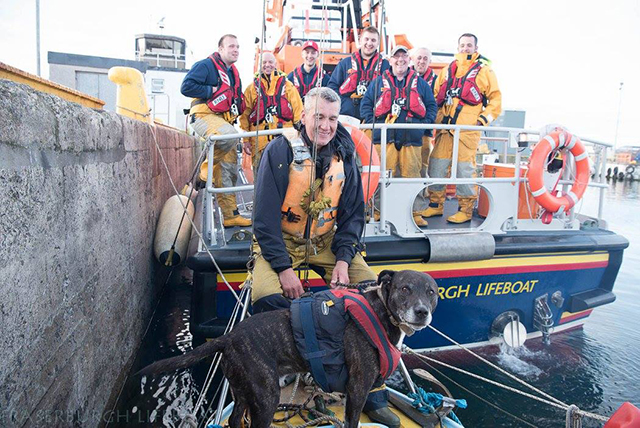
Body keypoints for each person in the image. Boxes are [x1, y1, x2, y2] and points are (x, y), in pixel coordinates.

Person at [251, 87, 400, 428]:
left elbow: (352, 218)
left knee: (374, 294)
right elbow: (263, 221)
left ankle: (372, 391)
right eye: (319, 117)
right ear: (303, 116)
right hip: (282, 243)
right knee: (266, 297)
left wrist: (345, 261)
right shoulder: (278, 151)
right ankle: (284, 367)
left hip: (326, 242)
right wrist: (283, 269)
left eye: (332, 118)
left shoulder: (346, 153)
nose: (326, 125)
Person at [423, 33, 502, 223]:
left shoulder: (485, 71)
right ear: (457, 48)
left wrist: (481, 120)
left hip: (467, 131)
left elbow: (496, 102)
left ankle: (465, 210)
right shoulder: (447, 70)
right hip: (445, 130)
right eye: (462, 45)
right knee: (437, 166)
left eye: (469, 45)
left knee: (464, 170)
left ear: (476, 48)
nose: (465, 48)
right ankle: (435, 205)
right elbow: (435, 96)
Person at [360, 45, 437, 227]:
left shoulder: (421, 84)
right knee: (381, 177)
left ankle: (415, 212)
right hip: (383, 140)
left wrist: (422, 126)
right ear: (390, 60)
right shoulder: (378, 83)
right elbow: (365, 106)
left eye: (404, 56)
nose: (400, 59)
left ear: (409, 60)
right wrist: (376, 125)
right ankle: (378, 211)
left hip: (412, 140)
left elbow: (431, 107)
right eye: (396, 56)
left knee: (413, 175)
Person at [181, 34, 251, 228]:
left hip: (223, 121)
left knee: (228, 170)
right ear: (220, 49)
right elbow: (186, 87)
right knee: (229, 135)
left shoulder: (233, 73)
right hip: (203, 116)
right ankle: (204, 172)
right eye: (231, 46)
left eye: (237, 47)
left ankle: (230, 216)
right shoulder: (206, 66)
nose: (235, 50)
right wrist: (211, 91)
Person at [240, 52, 303, 170]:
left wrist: (300, 138)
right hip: (259, 143)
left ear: (275, 64)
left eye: (270, 62)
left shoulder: (288, 86)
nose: (267, 65)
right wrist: (246, 140)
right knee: (260, 178)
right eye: (264, 62)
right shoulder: (251, 89)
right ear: (259, 65)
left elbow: (298, 112)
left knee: (283, 177)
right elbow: (245, 116)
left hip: (284, 141)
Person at [327, 26, 389, 120]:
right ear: (360, 40)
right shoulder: (345, 63)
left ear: (377, 43)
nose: (369, 43)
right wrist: (343, 104)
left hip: (373, 118)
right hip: (347, 116)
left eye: (373, 40)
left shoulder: (385, 66)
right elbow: (332, 87)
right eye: (366, 39)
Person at [411, 47, 438, 176]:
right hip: (405, 130)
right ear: (413, 59)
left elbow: (435, 105)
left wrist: (427, 122)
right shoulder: (401, 76)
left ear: (430, 62)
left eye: (425, 59)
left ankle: (421, 194)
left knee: (423, 164)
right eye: (419, 58)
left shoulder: (436, 81)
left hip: (425, 130)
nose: (421, 61)